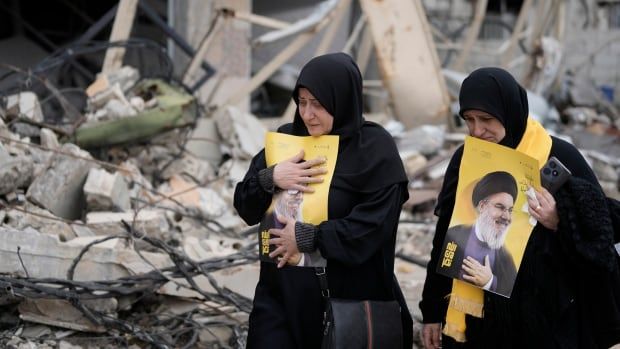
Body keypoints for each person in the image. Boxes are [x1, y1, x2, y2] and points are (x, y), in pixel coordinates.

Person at [420, 67, 620, 349]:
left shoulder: (558, 156)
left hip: (546, 322)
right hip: (478, 321)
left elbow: (604, 228)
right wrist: (432, 311)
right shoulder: (465, 159)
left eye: (486, 119)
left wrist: (560, 219)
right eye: (469, 120)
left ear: (509, 112)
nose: (477, 130)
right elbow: (445, 239)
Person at [234, 52, 413, 349]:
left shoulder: (374, 151)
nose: (307, 114)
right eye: (302, 102)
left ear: (343, 100)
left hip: (347, 304)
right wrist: (270, 178)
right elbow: (245, 206)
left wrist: (310, 237)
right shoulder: (286, 142)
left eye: (318, 104)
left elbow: (374, 227)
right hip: (281, 300)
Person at [438, 171, 518, 296]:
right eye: (500, 207)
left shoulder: (505, 256)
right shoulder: (453, 235)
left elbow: (512, 292)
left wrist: (489, 282)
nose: (507, 216)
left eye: (510, 210)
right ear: (482, 206)